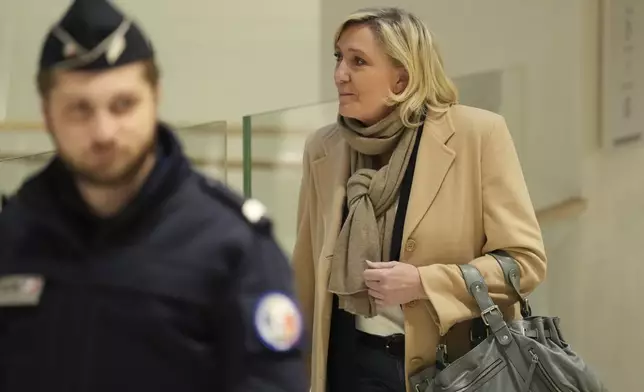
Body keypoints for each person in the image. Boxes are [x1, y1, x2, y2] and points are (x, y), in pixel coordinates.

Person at [0, 1, 307, 391]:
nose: (104, 131)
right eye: (79, 109)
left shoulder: (232, 247)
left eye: (123, 104)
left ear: (156, 97)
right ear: (47, 113)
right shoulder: (14, 235)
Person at [292, 7, 547, 392]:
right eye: (338, 57)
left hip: (455, 372)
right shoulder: (324, 149)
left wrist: (424, 283)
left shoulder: (477, 135)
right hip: (349, 366)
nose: (340, 73)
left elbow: (524, 263)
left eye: (358, 61)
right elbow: (306, 274)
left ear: (403, 77)